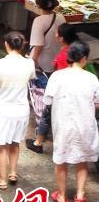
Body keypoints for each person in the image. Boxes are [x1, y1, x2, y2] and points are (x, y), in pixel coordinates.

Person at [43, 41, 99, 202]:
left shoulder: (58, 76)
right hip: (85, 124)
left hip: (64, 123)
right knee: (83, 159)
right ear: (84, 58)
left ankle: (61, 196)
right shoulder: (91, 78)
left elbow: (48, 100)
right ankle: (80, 194)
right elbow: (97, 103)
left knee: (62, 159)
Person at [0, 32, 34, 190]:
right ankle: (13, 173)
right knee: (15, 142)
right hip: (22, 110)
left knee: (2, 145)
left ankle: (2, 179)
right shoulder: (29, 63)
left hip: (3, 110)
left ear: (6, 44)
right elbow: (29, 79)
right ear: (22, 45)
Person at [27, 24, 79, 154]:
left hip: (62, 92)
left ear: (61, 38)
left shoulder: (63, 56)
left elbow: (60, 75)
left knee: (46, 115)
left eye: (57, 33)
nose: (55, 34)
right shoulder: (77, 49)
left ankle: (38, 143)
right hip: (74, 91)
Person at [29, 0, 66, 74]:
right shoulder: (61, 17)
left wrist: (33, 61)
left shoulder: (38, 21)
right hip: (57, 58)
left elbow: (38, 45)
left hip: (43, 62)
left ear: (39, 6)